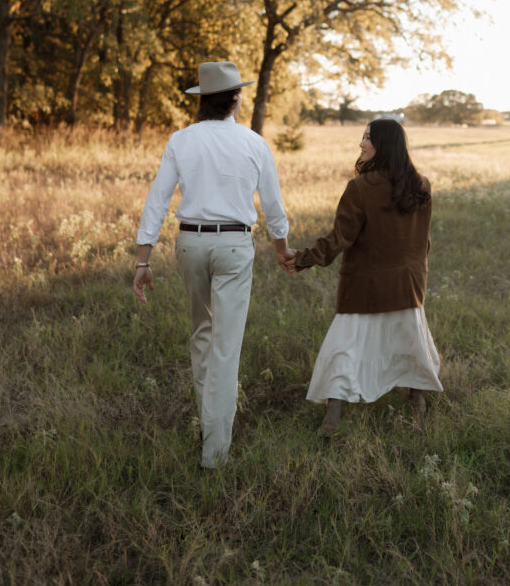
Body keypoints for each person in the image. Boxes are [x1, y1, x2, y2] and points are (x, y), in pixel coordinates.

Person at [133, 61, 295, 468]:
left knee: (202, 334)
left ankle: (210, 424)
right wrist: (281, 248)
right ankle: (215, 451)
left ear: (202, 100)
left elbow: (157, 199)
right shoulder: (254, 143)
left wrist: (143, 259)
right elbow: (273, 207)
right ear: (236, 99)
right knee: (226, 345)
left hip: (190, 242)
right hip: (235, 245)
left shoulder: (181, 140)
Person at [293, 118, 442, 435]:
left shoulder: (360, 188)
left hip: (365, 287)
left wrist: (303, 259)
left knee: (345, 347)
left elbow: (338, 239)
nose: (360, 144)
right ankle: (416, 403)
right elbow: (424, 241)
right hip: (408, 285)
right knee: (410, 343)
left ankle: (333, 417)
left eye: (366, 138)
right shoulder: (421, 185)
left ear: (382, 145)